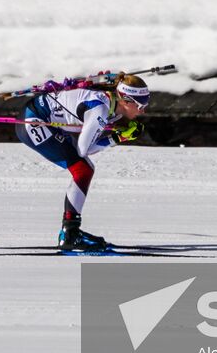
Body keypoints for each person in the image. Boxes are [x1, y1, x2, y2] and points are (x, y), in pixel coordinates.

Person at [15, 73, 149, 251]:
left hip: (40, 115)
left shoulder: (111, 103)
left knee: (85, 168)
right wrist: (117, 138)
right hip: (33, 122)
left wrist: (120, 130)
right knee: (82, 169)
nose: (143, 110)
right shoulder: (99, 110)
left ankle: (71, 232)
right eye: (141, 104)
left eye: (146, 103)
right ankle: (70, 234)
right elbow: (84, 149)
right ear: (125, 100)